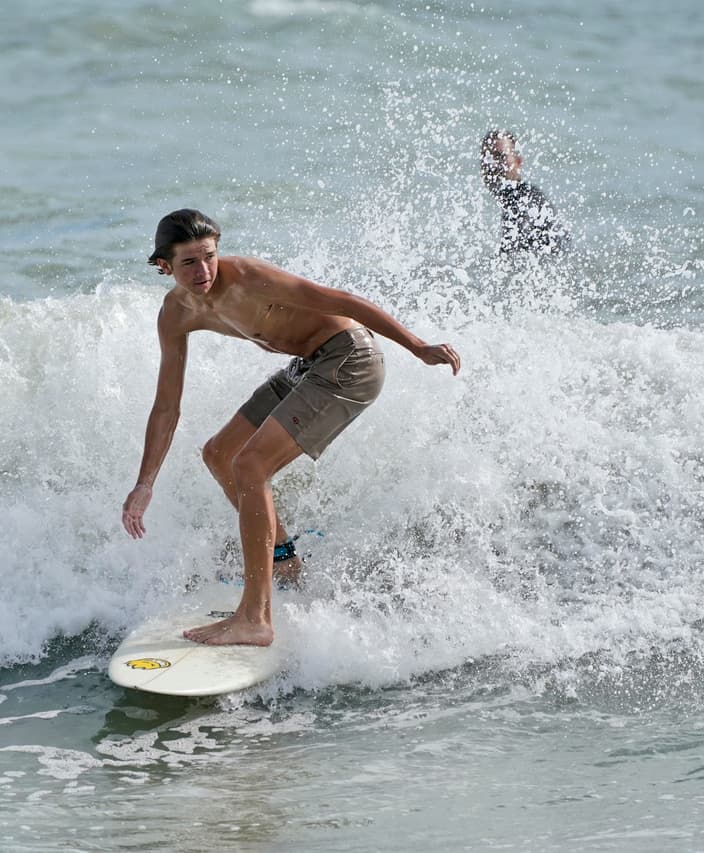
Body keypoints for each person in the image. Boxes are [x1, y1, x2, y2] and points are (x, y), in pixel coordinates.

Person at [121, 209, 461, 647]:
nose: (204, 270)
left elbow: (341, 300)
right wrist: (145, 483)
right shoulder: (175, 314)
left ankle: (255, 617)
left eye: (209, 256)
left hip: (349, 361)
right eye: (189, 262)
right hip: (307, 366)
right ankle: (283, 560)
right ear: (164, 266)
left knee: (250, 465)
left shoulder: (246, 277)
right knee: (220, 454)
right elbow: (167, 406)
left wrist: (418, 347)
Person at [480, 129, 569, 257]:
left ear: (518, 161)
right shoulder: (524, 194)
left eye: (500, 157)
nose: (492, 165)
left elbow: (510, 255)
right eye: (487, 157)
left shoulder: (521, 198)